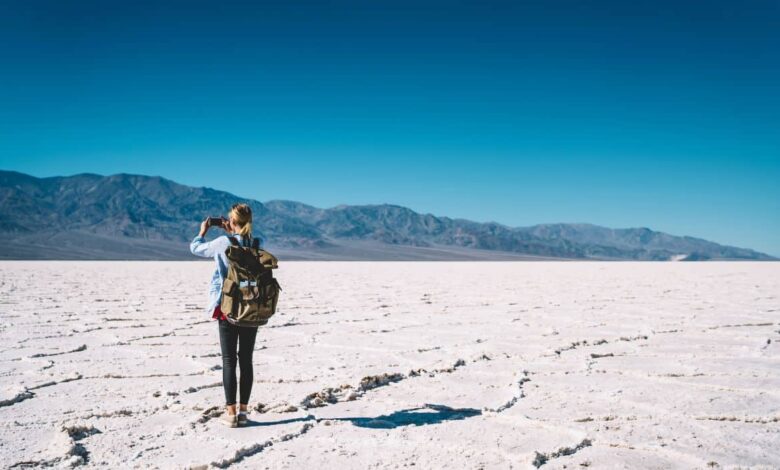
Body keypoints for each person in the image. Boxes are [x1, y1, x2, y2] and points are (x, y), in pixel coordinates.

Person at [190, 203, 263, 428]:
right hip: (251, 308)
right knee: (247, 360)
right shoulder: (258, 242)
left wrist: (203, 231)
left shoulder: (222, 243)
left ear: (231, 222)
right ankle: (243, 412)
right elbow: (242, 241)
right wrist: (233, 231)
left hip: (227, 307)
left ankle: (230, 414)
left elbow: (196, 249)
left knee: (229, 360)